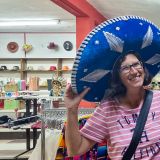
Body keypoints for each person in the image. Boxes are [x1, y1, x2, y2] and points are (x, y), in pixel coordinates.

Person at [64, 16, 160, 159]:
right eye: (125, 68)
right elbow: (75, 149)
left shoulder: (158, 99)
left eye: (136, 64)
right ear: (116, 75)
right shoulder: (107, 109)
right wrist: (72, 110)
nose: (134, 71)